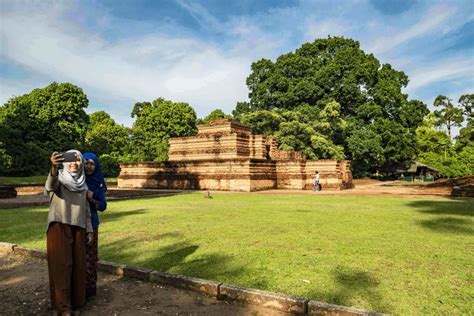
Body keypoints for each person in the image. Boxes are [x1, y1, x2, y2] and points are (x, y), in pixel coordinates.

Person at [45, 150, 93, 315]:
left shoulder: (82, 183)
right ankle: (63, 308)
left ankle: (75, 302)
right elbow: (50, 186)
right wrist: (53, 166)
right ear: (64, 162)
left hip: (78, 227)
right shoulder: (58, 178)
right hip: (59, 225)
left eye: (78, 160)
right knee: (62, 266)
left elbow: (86, 209)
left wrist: (90, 230)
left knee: (78, 266)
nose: (74, 163)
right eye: (71, 160)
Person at [83, 152, 107, 299]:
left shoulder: (98, 183)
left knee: (90, 258)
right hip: (75, 223)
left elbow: (103, 206)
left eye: (92, 163)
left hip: (92, 223)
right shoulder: (76, 179)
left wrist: (92, 199)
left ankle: (89, 290)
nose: (89, 166)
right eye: (86, 163)